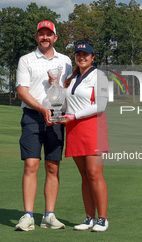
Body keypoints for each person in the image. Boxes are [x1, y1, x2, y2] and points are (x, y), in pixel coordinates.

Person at [14, 20, 72, 231]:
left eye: (49, 34)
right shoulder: (26, 60)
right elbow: (22, 91)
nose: (45, 37)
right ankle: (28, 215)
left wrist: (59, 84)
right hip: (32, 116)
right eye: (41, 34)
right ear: (36, 37)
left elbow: (68, 87)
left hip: (57, 117)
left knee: (52, 167)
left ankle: (49, 216)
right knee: (31, 165)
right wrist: (41, 109)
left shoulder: (65, 61)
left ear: (55, 37)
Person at [58, 40, 109, 232]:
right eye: (78, 54)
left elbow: (101, 105)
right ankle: (89, 218)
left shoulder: (99, 76)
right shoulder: (70, 78)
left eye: (85, 54)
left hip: (93, 127)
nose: (81, 57)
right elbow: (65, 105)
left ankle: (102, 219)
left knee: (95, 174)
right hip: (74, 128)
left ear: (93, 57)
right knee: (85, 176)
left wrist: (74, 115)